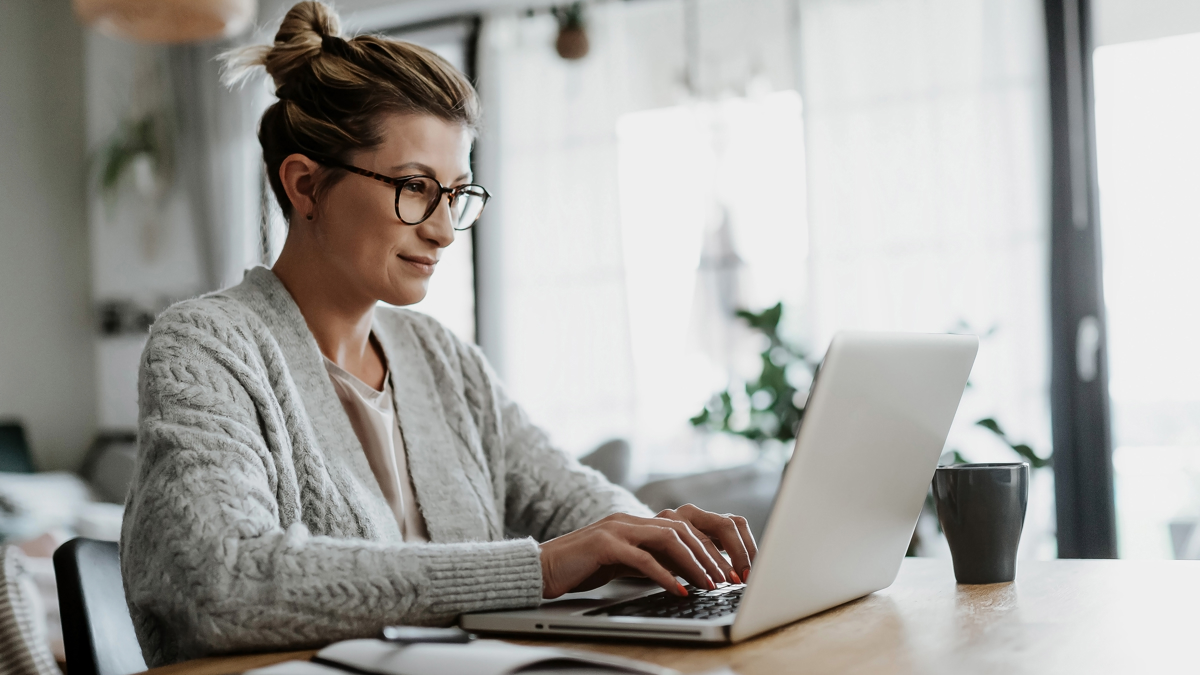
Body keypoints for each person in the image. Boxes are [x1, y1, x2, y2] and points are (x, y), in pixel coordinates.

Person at [119, 1, 757, 666]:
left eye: (456, 194)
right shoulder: (206, 345)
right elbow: (224, 580)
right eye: (416, 188)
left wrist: (656, 540)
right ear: (306, 186)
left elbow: (569, 498)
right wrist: (538, 568)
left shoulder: (440, 356)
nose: (444, 230)